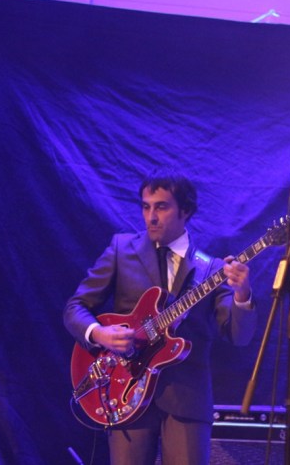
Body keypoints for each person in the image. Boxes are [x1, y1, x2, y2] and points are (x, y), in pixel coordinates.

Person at [64, 169, 257, 465]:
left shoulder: (211, 269)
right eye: (146, 207)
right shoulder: (121, 249)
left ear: (185, 211)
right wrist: (100, 334)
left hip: (186, 398)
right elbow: (75, 308)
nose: (151, 217)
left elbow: (239, 336)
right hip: (124, 388)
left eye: (161, 207)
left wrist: (242, 294)